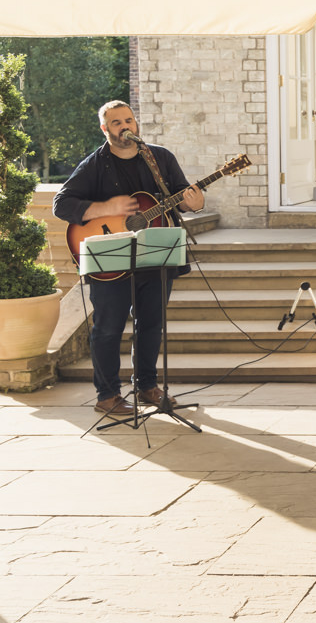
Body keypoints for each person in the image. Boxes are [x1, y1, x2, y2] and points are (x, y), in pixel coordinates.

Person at [54, 100, 204, 416]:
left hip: (154, 255)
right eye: (117, 122)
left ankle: (147, 386)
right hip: (111, 260)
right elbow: (61, 204)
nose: (125, 126)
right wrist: (105, 209)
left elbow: (183, 196)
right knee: (108, 327)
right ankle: (107, 395)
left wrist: (194, 201)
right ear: (105, 129)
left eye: (129, 120)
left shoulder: (160, 158)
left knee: (151, 323)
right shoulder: (95, 164)